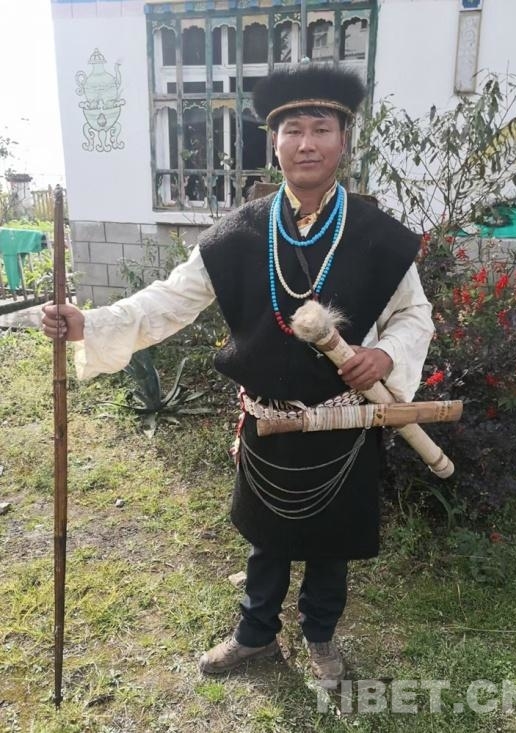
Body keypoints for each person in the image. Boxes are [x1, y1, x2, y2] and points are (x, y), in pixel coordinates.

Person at [42, 65, 434, 688]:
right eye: (293, 130)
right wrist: (87, 322)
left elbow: (414, 315)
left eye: (321, 128)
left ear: (343, 140)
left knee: (332, 543)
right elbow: (169, 300)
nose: (307, 143)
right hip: (267, 422)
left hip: (344, 420)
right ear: (273, 143)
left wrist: (385, 355)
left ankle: (320, 635)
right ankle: (255, 635)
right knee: (265, 536)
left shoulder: (376, 235)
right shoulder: (238, 234)